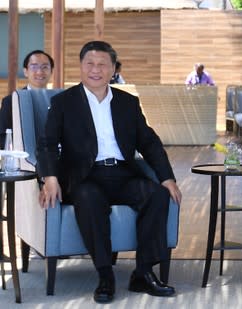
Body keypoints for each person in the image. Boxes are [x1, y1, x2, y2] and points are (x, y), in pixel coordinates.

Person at [37, 41, 182, 304]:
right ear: (81, 67)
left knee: (157, 196)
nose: (96, 69)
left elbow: (149, 142)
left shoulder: (128, 102)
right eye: (90, 63)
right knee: (90, 199)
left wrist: (167, 178)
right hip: (84, 176)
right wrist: (50, 177)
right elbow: (47, 143)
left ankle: (143, 272)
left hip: (123, 173)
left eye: (103, 64)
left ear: (113, 69)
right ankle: (105, 275)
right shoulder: (63, 103)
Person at [0, 50, 54, 147]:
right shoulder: (11, 101)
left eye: (45, 67)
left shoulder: (59, 100)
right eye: (34, 67)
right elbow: (3, 136)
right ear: (25, 71)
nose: (39, 72)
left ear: (51, 71)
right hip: (21, 157)